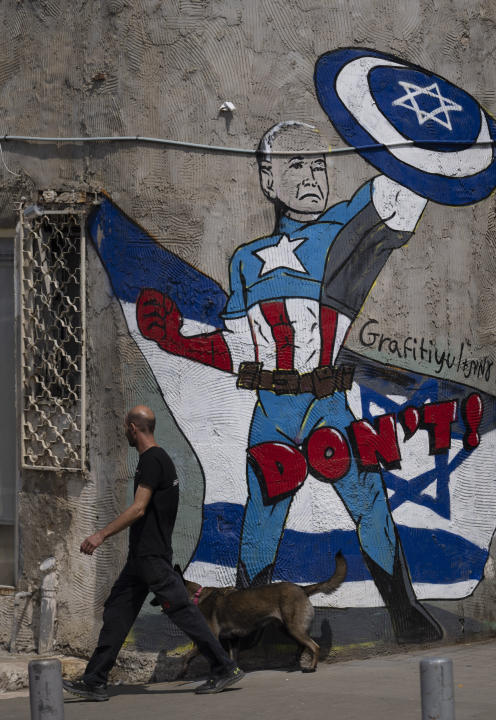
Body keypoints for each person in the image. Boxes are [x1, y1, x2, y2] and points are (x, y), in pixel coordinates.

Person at [136, 121, 443, 643]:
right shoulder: (244, 260)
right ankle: (253, 631)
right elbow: (239, 349)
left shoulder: (346, 228)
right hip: (272, 406)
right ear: (267, 177)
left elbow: (401, 195)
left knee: (369, 500)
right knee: (260, 521)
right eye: (296, 165)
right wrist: (178, 341)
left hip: (328, 403)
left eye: (319, 163)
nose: (312, 176)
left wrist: (424, 131)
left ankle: (405, 612)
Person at [62, 405, 245, 701]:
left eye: (126, 428)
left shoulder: (152, 460)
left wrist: (101, 534)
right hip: (142, 558)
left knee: (184, 611)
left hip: (151, 556)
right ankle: (95, 679)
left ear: (133, 428)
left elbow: (138, 508)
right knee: (118, 611)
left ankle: (224, 667)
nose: (125, 433)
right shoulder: (159, 460)